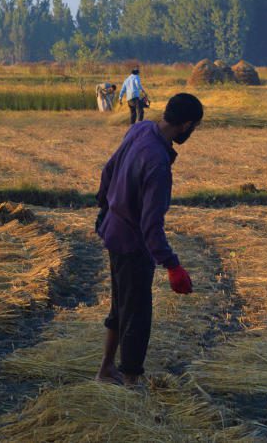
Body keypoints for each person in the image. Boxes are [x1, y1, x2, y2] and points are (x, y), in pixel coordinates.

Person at [94, 93, 204, 386]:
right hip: (132, 245)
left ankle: (106, 370)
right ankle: (131, 382)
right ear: (187, 125)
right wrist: (172, 265)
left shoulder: (140, 128)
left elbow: (108, 169)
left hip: (114, 230)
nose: (191, 133)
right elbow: (151, 225)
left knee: (121, 306)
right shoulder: (158, 163)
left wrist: (103, 207)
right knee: (137, 314)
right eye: (194, 128)